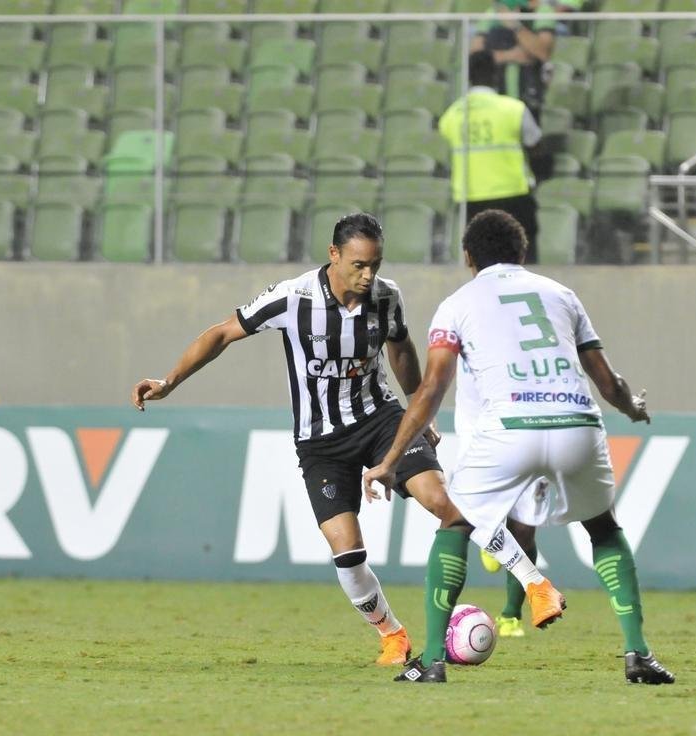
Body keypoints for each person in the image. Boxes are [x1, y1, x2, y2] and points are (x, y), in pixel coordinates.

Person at [131, 213, 565, 667]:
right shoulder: (292, 298)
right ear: (333, 255)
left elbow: (400, 349)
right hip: (320, 442)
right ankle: (393, 635)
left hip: (380, 420)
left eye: (374, 264)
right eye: (358, 264)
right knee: (347, 553)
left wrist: (420, 406)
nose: (368, 274)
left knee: (442, 501)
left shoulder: (386, 296)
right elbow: (222, 333)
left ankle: (536, 585)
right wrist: (170, 381)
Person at [364, 209, 674, 686]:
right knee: (604, 528)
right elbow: (606, 380)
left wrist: (389, 461)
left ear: (468, 257)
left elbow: (430, 391)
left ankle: (430, 661)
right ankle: (638, 655)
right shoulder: (561, 294)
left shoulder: (457, 304)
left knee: (455, 522)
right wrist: (632, 408)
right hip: (577, 421)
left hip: (511, 426)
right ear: (522, 254)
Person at [456, 352, 547, 638]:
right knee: (468, 517)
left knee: (525, 528)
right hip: (478, 430)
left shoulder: (545, 323)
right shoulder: (464, 313)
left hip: (533, 427)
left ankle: (511, 614)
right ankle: (493, 530)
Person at [439, 50, 543, 263]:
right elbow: (536, 144)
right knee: (521, 255)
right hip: (512, 192)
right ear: (495, 74)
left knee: (482, 259)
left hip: (470, 197)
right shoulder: (512, 109)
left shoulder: (452, 115)